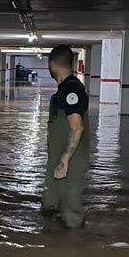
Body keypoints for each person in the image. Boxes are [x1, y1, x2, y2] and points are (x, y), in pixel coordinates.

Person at [42, 45, 89, 229]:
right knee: (51, 208)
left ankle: (74, 251)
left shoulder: (72, 90)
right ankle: (54, 249)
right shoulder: (64, 90)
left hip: (70, 164)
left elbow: (77, 128)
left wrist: (65, 159)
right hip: (59, 164)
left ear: (52, 65)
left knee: (71, 214)